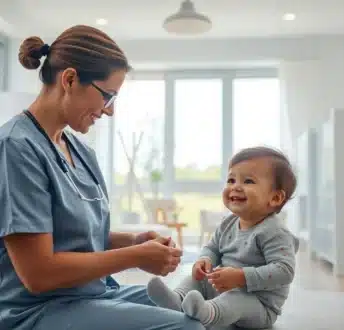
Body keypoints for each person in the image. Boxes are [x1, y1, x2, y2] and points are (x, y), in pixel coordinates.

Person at [0, 25, 204, 330]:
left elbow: (74, 237)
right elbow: (38, 272)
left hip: (93, 294)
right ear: (69, 79)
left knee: (197, 304)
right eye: (107, 96)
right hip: (37, 311)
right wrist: (135, 256)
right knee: (186, 328)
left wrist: (133, 241)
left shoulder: (81, 151)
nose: (109, 111)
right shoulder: (17, 147)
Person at [147, 146, 299, 329]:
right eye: (231, 179)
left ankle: (208, 314)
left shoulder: (275, 232)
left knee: (235, 298)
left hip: (258, 305)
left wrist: (241, 277)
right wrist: (205, 260)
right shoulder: (228, 223)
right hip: (222, 288)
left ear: (275, 198)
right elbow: (212, 248)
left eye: (248, 181)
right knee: (197, 280)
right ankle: (178, 300)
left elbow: (284, 271)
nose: (235, 186)